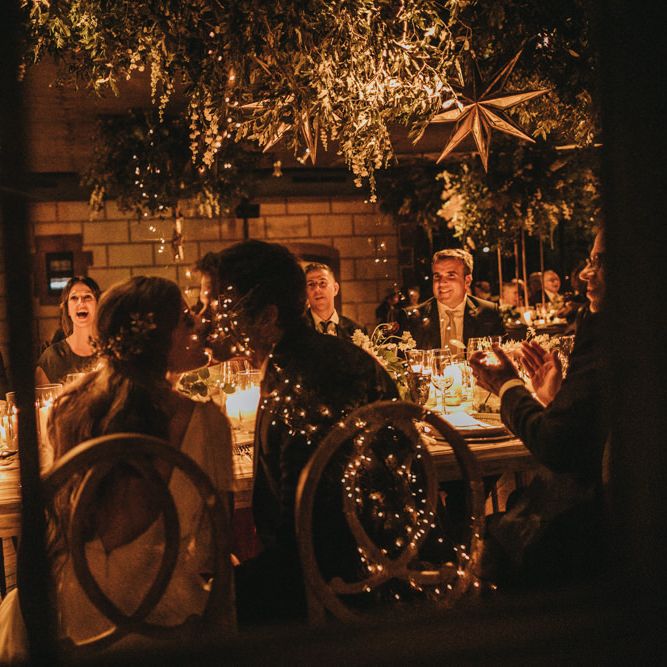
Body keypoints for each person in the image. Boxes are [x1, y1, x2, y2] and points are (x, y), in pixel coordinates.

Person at [0, 276, 233, 658]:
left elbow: (53, 524)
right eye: (186, 319)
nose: (200, 324)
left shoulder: (69, 410)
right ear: (158, 339)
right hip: (163, 625)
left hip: (73, 616)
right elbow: (215, 553)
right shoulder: (206, 422)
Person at [202, 240, 398, 625]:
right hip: (386, 564)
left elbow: (307, 535)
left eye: (219, 308)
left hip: (342, 595)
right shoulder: (332, 356)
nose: (206, 321)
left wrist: (230, 586)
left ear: (267, 317)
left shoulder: (297, 387)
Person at [469, 230, 609, 587]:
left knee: (480, 537)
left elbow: (555, 446)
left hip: (591, 531)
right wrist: (554, 399)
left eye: (601, 262)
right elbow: (584, 428)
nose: (585, 274)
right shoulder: (612, 326)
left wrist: (507, 386)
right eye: (590, 261)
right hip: (587, 506)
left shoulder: (615, 336)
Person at [407, 248, 504, 357]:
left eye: (451, 275)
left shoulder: (489, 313)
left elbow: (501, 358)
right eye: (437, 276)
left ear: (467, 281)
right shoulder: (413, 318)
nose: (441, 283)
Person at [35, 276, 101, 384]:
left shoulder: (110, 352)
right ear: (68, 309)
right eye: (74, 298)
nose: (81, 302)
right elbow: (43, 393)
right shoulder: (52, 358)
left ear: (98, 305)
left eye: (87, 297)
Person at [304, 262, 366, 340]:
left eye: (322, 283)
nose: (317, 290)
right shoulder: (295, 329)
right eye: (311, 284)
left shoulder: (356, 331)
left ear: (335, 289)